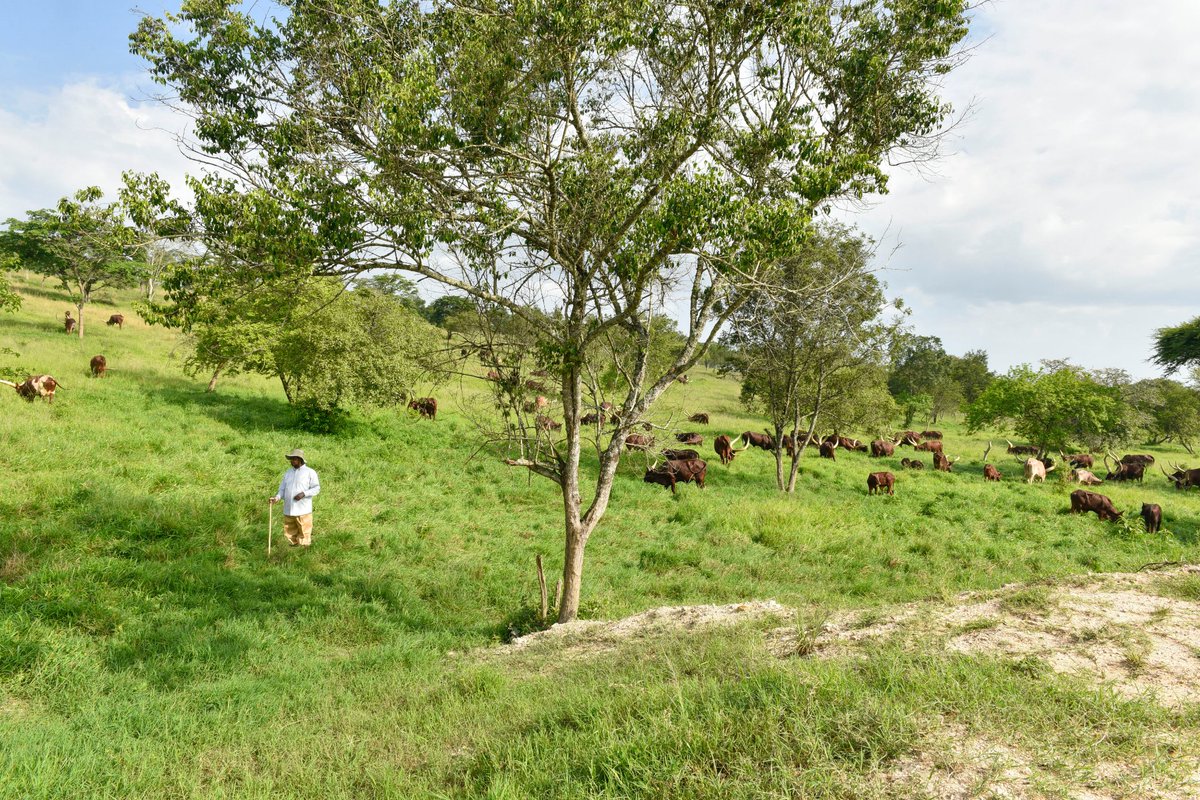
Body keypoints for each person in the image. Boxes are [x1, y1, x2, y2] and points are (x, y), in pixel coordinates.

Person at [270, 449, 321, 547]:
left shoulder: (310, 472)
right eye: (291, 459)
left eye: (294, 459)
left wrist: (304, 494)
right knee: (289, 530)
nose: (292, 461)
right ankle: (291, 549)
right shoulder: (288, 473)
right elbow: (282, 489)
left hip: (303, 509)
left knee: (304, 530)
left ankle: (303, 550)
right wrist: (276, 498)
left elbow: (316, 488)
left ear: (300, 459)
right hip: (288, 508)